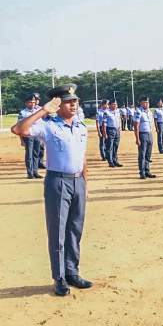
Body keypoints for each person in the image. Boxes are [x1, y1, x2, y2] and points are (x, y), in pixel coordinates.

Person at [11, 83, 92, 296]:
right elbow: (18, 130)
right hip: (58, 182)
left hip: (77, 182)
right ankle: (60, 277)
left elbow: (82, 158)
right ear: (57, 105)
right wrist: (44, 111)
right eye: (68, 101)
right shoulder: (48, 126)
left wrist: (85, 185)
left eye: (75, 101)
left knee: (75, 230)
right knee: (57, 231)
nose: (73, 104)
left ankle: (72, 272)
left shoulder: (81, 127)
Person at [18, 93, 43, 179]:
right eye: (30, 102)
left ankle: (35, 172)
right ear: (26, 103)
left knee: (36, 154)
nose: (32, 104)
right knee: (29, 154)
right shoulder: (23, 113)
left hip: (37, 135)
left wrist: (42, 137)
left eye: (33, 102)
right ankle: (30, 173)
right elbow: (19, 127)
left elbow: (41, 125)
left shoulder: (38, 111)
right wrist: (21, 140)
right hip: (27, 136)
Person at [134, 97, 156, 179]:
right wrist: (137, 138)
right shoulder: (139, 112)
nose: (147, 104)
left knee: (148, 154)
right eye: (145, 102)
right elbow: (136, 126)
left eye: (148, 102)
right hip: (142, 134)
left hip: (149, 134)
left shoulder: (149, 112)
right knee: (142, 154)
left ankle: (147, 170)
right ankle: (142, 172)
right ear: (141, 103)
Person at [102, 98, 123, 167]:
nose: (115, 106)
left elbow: (119, 120)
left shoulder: (117, 111)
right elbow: (104, 123)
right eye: (113, 104)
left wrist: (119, 129)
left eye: (115, 104)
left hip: (116, 130)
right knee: (110, 146)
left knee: (115, 146)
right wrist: (104, 133)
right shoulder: (107, 112)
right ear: (110, 105)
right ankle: (110, 161)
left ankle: (115, 160)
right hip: (110, 130)